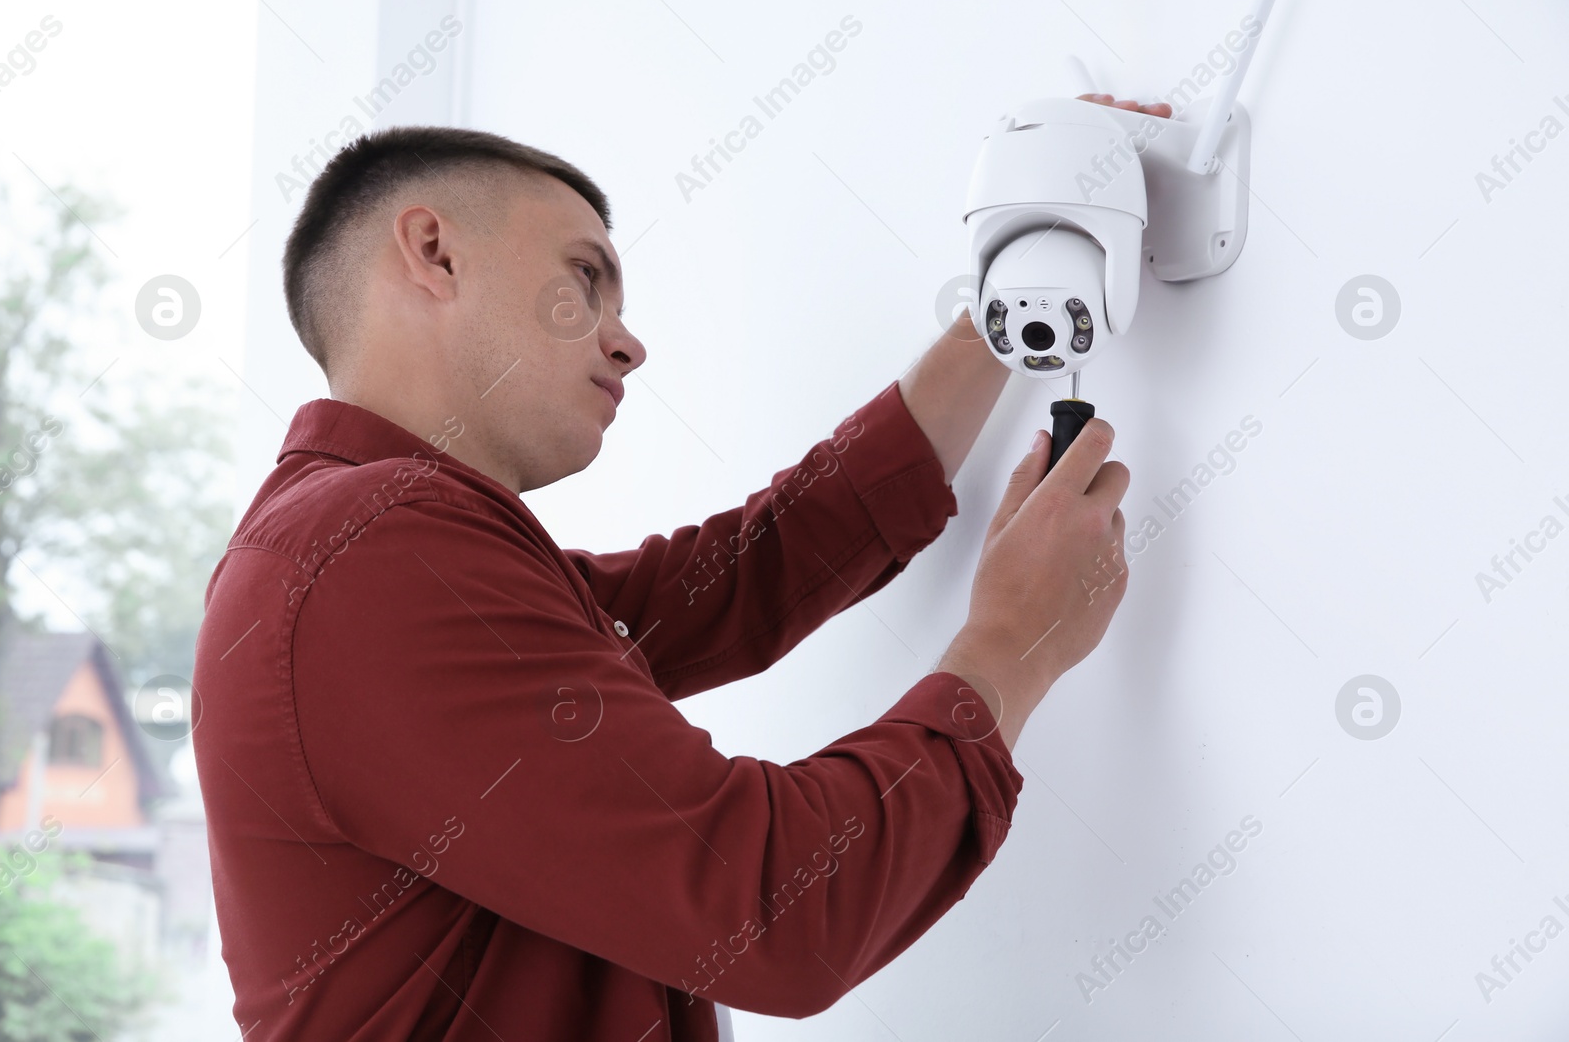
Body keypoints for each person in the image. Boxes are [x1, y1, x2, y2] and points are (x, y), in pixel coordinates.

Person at [192, 94, 1167, 1041]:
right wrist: (1010, 645)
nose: (628, 340)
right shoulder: (371, 551)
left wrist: (1013, 301)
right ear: (434, 252)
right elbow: (772, 904)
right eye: (584, 277)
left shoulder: (362, 544)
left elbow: (745, 574)